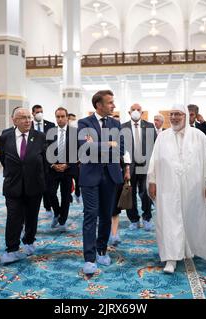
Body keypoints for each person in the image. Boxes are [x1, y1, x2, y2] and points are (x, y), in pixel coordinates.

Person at [147, 104, 206, 274]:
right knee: (170, 219)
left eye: (177, 114)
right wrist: (152, 181)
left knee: (192, 218)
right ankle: (170, 258)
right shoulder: (163, 137)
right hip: (168, 187)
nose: (173, 117)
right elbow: (154, 161)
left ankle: (189, 249)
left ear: (186, 116)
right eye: (171, 114)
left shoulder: (198, 136)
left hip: (194, 188)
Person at [77, 90, 130, 275]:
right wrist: (108, 144)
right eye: (110, 103)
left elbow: (121, 148)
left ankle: (101, 250)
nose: (113, 106)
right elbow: (85, 147)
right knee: (90, 215)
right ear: (99, 105)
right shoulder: (84, 123)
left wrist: (99, 144)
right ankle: (89, 258)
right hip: (90, 176)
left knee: (107, 215)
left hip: (111, 175)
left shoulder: (116, 123)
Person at [0, 108, 47, 264]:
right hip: (13, 184)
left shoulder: (39, 136)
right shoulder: (5, 136)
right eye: (23, 118)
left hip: (34, 184)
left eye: (29, 117)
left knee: (31, 216)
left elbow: (44, 161)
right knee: (13, 217)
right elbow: (3, 158)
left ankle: (29, 240)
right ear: (14, 120)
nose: (27, 120)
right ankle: (11, 249)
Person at [121, 104, 156, 231]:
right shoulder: (122, 127)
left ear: (142, 112)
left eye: (138, 110)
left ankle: (147, 217)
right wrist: (125, 167)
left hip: (146, 166)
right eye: (133, 110)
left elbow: (155, 146)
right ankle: (134, 219)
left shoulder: (149, 126)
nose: (136, 111)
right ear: (129, 112)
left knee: (145, 193)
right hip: (129, 167)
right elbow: (121, 148)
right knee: (130, 193)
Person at [46, 107, 78, 232]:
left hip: (68, 170)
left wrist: (67, 164)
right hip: (53, 169)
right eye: (58, 117)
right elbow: (45, 150)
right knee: (50, 193)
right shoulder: (50, 132)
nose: (60, 119)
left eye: (62, 116)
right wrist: (53, 164)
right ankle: (57, 212)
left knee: (65, 196)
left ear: (67, 117)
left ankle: (62, 220)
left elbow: (78, 151)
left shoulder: (75, 132)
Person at [32, 104, 56, 217]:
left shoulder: (50, 125)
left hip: (47, 160)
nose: (39, 113)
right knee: (34, 186)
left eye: (41, 111)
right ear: (33, 113)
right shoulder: (29, 125)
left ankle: (48, 207)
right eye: (37, 112)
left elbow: (53, 143)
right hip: (33, 160)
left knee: (47, 185)